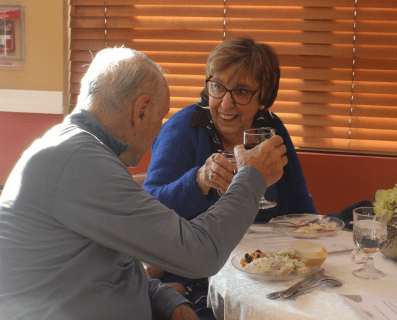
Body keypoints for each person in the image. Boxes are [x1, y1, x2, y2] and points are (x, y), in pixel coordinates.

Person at [0, 47, 287, 320]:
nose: (161, 128)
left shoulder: (75, 150)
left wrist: (165, 299)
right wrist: (253, 176)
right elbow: (199, 254)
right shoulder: (78, 160)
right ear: (141, 110)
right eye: (160, 116)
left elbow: (109, 262)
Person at [141, 38, 316, 303]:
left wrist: (313, 247)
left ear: (263, 95)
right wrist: (198, 181)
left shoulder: (272, 130)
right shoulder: (183, 130)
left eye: (242, 91)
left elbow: (301, 206)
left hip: (269, 272)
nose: (225, 103)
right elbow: (148, 209)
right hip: (199, 279)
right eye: (218, 87)